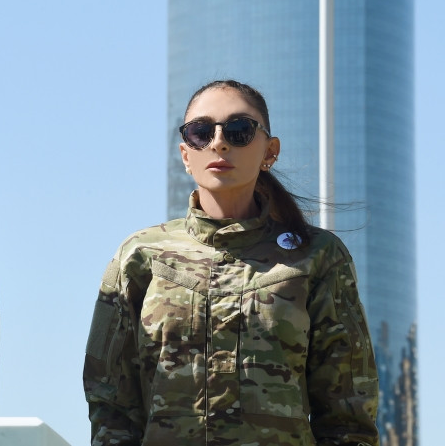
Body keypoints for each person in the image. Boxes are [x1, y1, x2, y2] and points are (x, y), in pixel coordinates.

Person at [83, 79, 379, 446]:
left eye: (239, 130)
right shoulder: (141, 256)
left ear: (270, 151)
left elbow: (348, 413)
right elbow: (110, 404)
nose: (219, 142)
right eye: (201, 132)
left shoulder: (317, 256)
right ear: (185, 154)